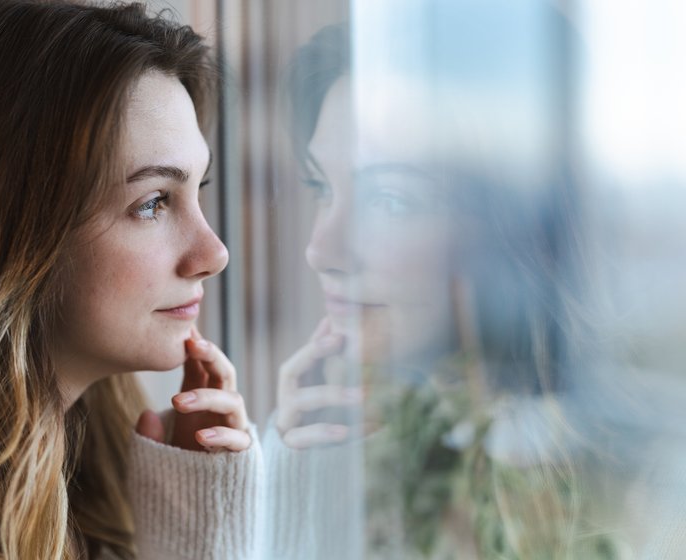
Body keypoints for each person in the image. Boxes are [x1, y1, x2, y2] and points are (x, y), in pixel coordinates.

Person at [0, 2, 262, 559]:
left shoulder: (120, 489)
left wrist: (199, 534)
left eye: (197, 191)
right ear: (11, 230)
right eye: (153, 203)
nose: (214, 253)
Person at [262, 14, 622, 559]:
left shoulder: (606, 493)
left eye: (391, 200)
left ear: (505, 229)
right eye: (321, 187)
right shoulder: (348, 445)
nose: (321, 249)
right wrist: (302, 490)